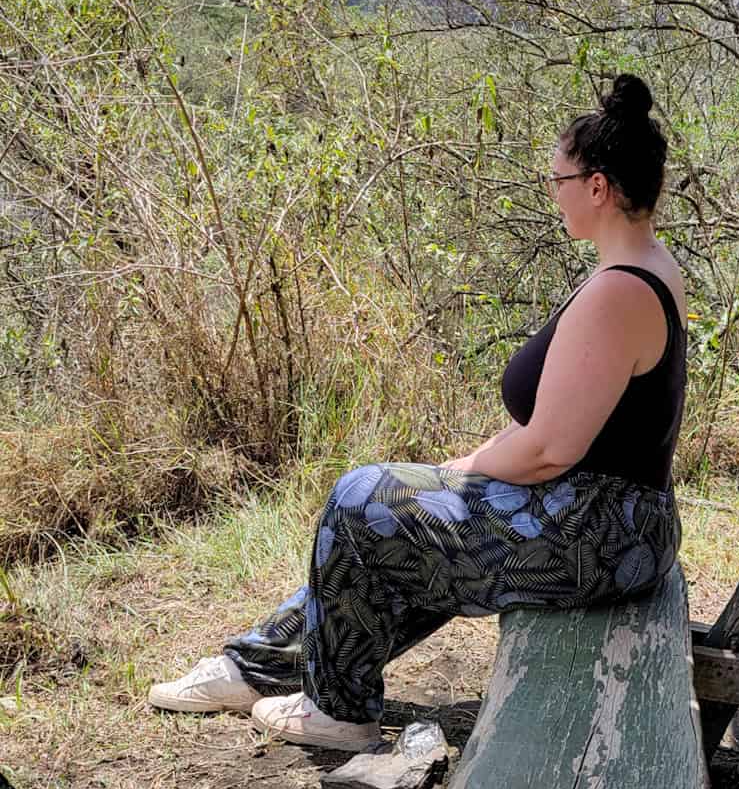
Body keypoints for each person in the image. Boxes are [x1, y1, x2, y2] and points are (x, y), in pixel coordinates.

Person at [149, 74, 688, 749]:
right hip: (611, 524)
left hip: (595, 536)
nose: (552, 194)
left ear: (598, 187)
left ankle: (334, 712)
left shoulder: (618, 291)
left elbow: (553, 446)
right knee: (405, 521)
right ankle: (252, 665)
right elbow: (571, 425)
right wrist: (468, 470)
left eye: (556, 181)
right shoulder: (649, 264)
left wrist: (469, 465)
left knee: (359, 501)